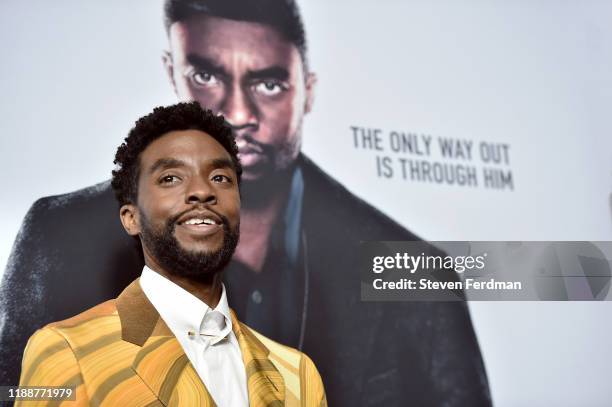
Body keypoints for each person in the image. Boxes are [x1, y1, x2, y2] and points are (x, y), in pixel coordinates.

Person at [2, 0, 491, 405]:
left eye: (269, 83)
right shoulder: (60, 261)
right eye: (208, 76)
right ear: (172, 71)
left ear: (309, 91)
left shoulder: (305, 368)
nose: (238, 112)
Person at [16, 102, 326, 407]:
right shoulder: (66, 351)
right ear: (131, 217)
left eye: (220, 178)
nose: (203, 191)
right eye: (171, 178)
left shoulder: (297, 374)